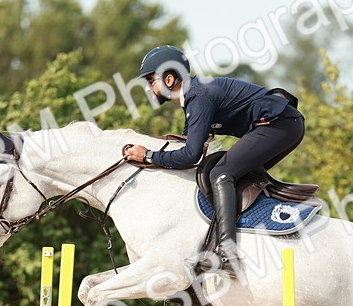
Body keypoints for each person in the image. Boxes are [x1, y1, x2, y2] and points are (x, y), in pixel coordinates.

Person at [124, 45, 306, 277]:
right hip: (283, 123)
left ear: (169, 79)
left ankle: (228, 254)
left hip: (278, 123)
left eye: (151, 80)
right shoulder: (194, 95)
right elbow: (189, 145)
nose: (149, 88)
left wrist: (148, 156)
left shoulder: (197, 97)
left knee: (221, 173)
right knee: (229, 172)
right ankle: (254, 232)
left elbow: (190, 155)